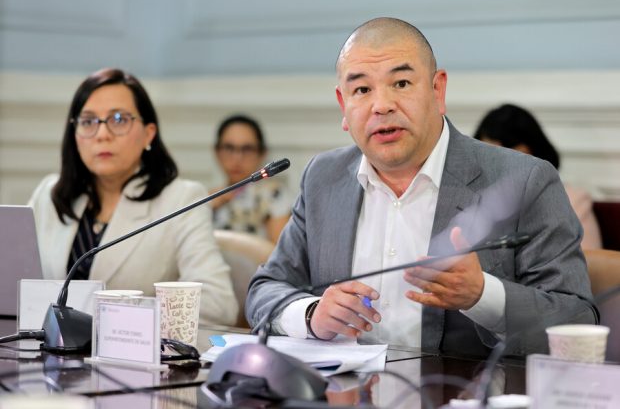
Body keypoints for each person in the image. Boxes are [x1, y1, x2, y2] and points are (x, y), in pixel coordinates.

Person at [245, 18, 597, 357]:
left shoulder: (524, 180)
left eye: (401, 84)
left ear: (437, 89)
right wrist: (311, 314)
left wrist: (482, 295)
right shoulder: (324, 177)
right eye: (362, 89)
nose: (382, 105)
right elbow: (264, 290)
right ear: (343, 105)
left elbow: (578, 318)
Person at [28, 68, 238, 326]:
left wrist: (122, 318)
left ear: (148, 134)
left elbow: (219, 304)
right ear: (75, 135)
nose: (102, 134)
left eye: (118, 119)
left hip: (128, 361)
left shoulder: (182, 200)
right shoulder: (48, 195)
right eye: (88, 121)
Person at [474, 103, 602, 249]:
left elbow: (584, 267)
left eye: (509, 155)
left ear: (535, 152)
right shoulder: (474, 201)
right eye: (488, 157)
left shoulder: (572, 201)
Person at [210, 114, 293, 244]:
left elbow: (281, 255)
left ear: (262, 153)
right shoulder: (208, 199)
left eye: (247, 149)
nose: (237, 158)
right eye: (229, 148)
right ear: (217, 152)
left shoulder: (273, 195)